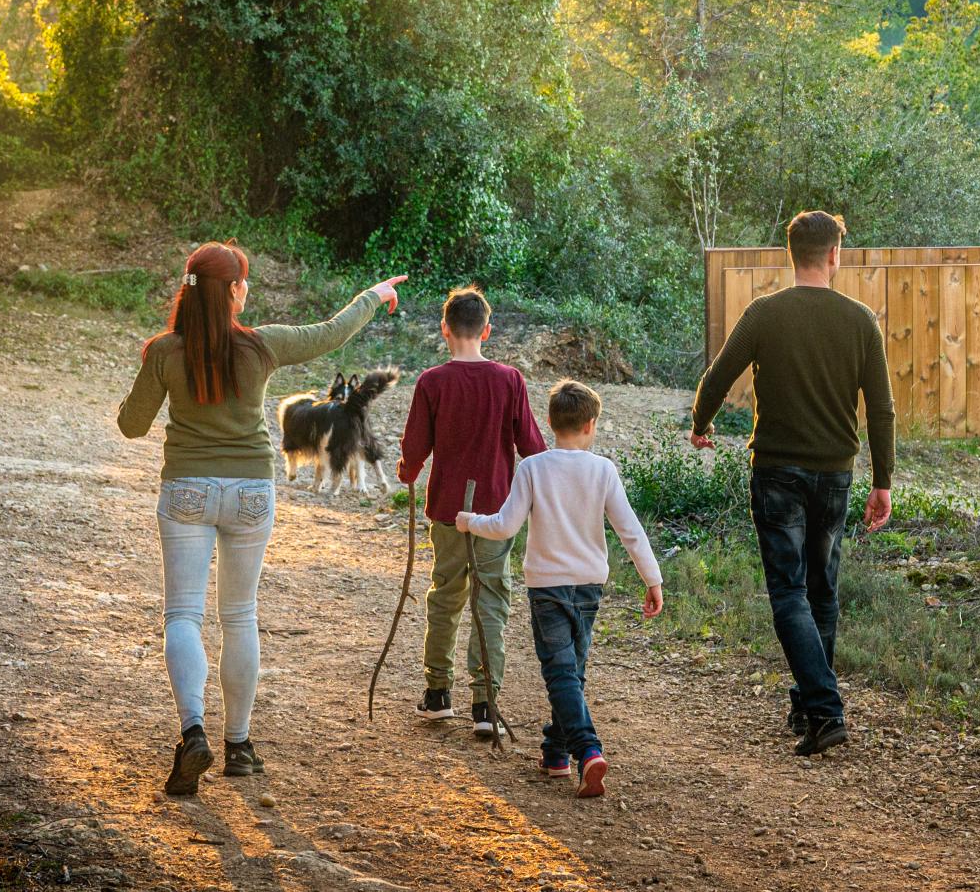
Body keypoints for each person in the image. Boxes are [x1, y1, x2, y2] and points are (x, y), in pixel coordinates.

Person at [116, 242, 404, 794]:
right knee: (239, 615)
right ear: (232, 291)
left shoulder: (164, 351)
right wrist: (374, 295)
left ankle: (193, 732)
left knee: (183, 614)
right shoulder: (262, 345)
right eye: (243, 281)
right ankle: (239, 746)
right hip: (251, 490)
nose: (246, 288)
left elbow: (132, 426)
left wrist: (137, 396)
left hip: (187, 489)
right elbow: (330, 332)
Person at [690, 210, 895, 755]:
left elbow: (717, 376)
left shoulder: (765, 313)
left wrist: (701, 424)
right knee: (822, 591)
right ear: (834, 255)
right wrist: (883, 481)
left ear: (791, 254)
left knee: (789, 591)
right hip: (835, 475)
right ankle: (809, 704)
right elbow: (881, 408)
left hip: (777, 472)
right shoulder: (860, 320)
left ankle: (823, 710)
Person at [457, 380, 663, 797]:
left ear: (549, 423)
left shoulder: (533, 467)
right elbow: (630, 530)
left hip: (547, 587)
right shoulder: (603, 470)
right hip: (588, 587)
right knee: (571, 672)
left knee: (561, 673)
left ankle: (587, 750)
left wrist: (469, 521)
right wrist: (652, 579)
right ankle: (555, 752)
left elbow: (505, 526)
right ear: (591, 424)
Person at [395, 284, 545, 739]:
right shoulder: (509, 380)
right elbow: (532, 447)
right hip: (497, 513)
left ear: (445, 329)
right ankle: (485, 704)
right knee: (491, 601)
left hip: (446, 510)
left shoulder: (432, 382)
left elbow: (415, 448)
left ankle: (438, 694)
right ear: (487, 330)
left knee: (445, 596)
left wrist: (408, 472)